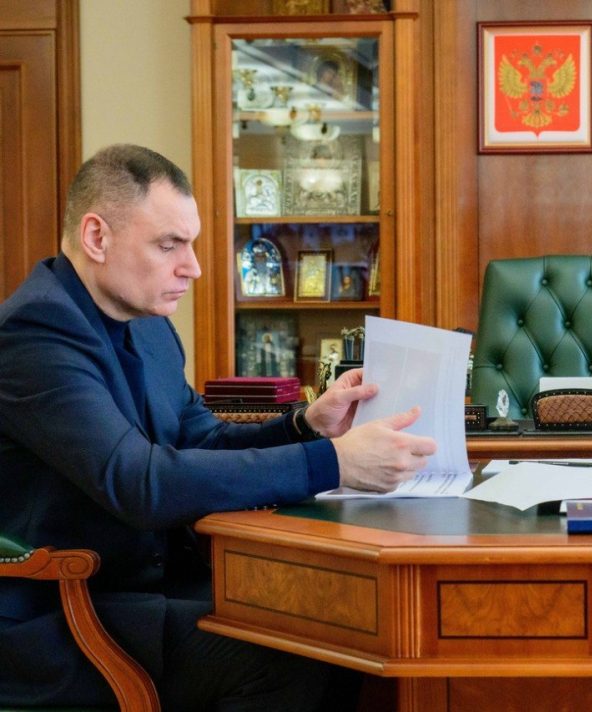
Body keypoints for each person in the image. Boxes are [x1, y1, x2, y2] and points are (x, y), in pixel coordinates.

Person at [0, 144, 436, 710]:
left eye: (192, 243)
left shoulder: (147, 323)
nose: (194, 267)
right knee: (297, 658)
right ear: (96, 237)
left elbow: (201, 440)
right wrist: (335, 463)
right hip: (65, 618)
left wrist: (309, 424)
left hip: (152, 594)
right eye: (169, 245)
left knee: (346, 631)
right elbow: (140, 483)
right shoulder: (35, 334)